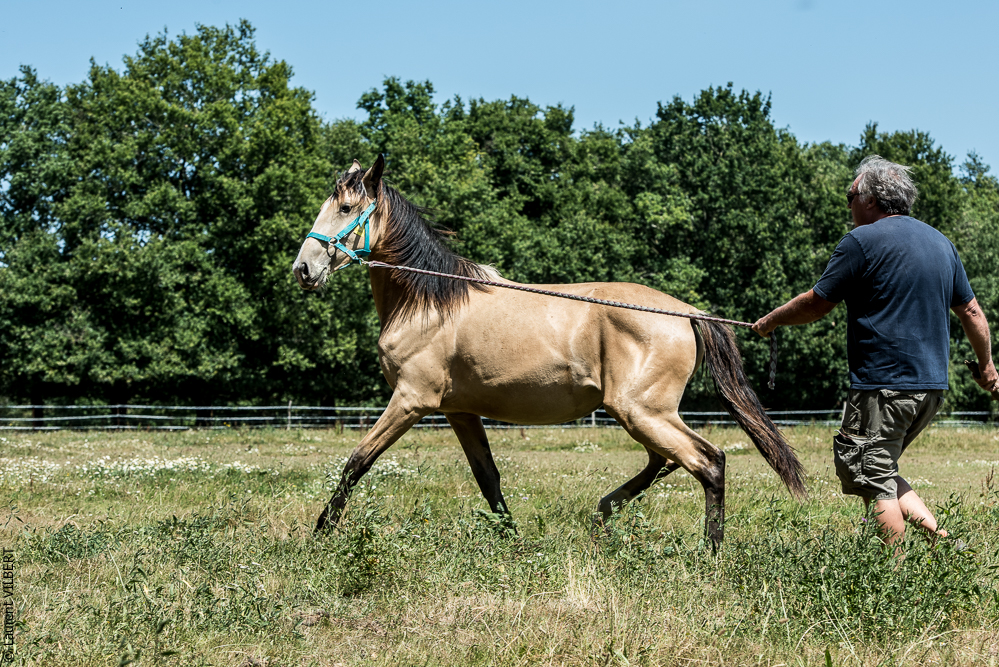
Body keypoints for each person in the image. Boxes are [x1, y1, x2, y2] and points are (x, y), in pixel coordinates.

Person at [752, 155, 998, 544]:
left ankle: (892, 577)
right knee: (880, 465)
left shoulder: (861, 242)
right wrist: (987, 367)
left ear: (870, 198)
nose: (847, 204)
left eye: (849, 195)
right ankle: (942, 538)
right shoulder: (941, 243)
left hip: (884, 386)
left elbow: (818, 302)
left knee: (868, 472)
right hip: (931, 389)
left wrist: (772, 320)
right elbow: (971, 310)